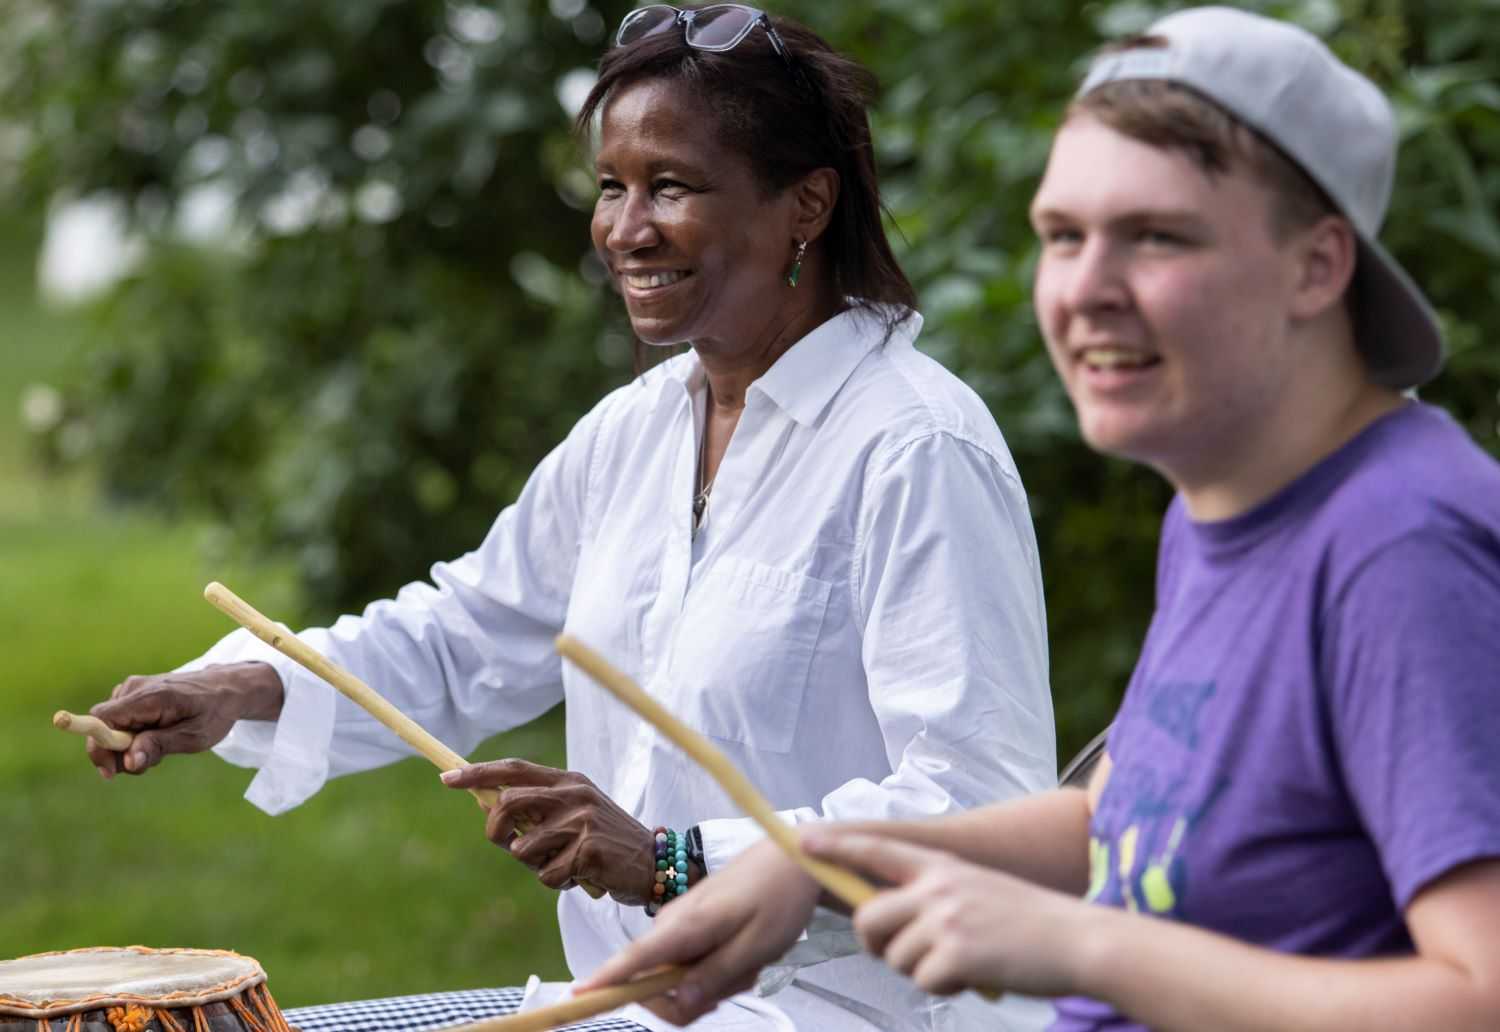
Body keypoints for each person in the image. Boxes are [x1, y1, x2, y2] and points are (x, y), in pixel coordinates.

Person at [80, 5, 1057, 1031]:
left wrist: (676, 858)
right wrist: (251, 685)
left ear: (806, 203)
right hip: (626, 1011)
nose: (625, 229)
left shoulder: (916, 446)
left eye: (670, 186)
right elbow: (468, 636)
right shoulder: (633, 431)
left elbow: (980, 801)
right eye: (611, 187)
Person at [580, 7, 1500, 1029]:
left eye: (1157, 236)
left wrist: (1080, 943)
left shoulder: (1403, 547)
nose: (1084, 291)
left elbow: (1480, 996)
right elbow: (1122, 821)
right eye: (1064, 236)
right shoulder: (1231, 513)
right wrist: (808, 866)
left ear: (1318, 267)